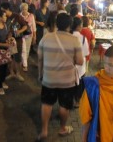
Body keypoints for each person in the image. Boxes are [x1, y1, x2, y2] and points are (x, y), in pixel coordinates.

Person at [36, 13, 83, 141]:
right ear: (69, 25)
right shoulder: (74, 40)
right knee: (64, 105)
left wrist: (40, 75)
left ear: (56, 24)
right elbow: (80, 61)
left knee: (46, 104)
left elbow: (39, 58)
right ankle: (62, 128)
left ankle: (44, 130)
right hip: (67, 81)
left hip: (49, 78)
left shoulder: (46, 37)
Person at [1, 2, 27, 82]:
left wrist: (19, 31)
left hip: (17, 40)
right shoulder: (3, 17)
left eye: (3, 10)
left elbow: (25, 26)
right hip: (7, 41)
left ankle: (18, 73)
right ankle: (11, 72)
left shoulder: (17, 16)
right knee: (9, 57)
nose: (2, 12)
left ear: (7, 9)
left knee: (17, 57)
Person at [71, 17, 89, 107]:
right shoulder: (82, 38)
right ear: (78, 26)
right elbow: (86, 53)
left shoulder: (68, 36)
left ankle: (70, 99)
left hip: (69, 65)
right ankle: (77, 101)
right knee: (80, 84)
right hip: (80, 66)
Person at [20, 3, 36, 72]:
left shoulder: (31, 16)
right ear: (21, 9)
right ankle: (24, 65)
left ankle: (24, 62)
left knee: (27, 49)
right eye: (23, 9)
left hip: (30, 35)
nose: (25, 11)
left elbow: (34, 27)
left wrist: (34, 36)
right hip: (22, 36)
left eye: (26, 9)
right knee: (23, 50)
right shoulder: (19, 16)